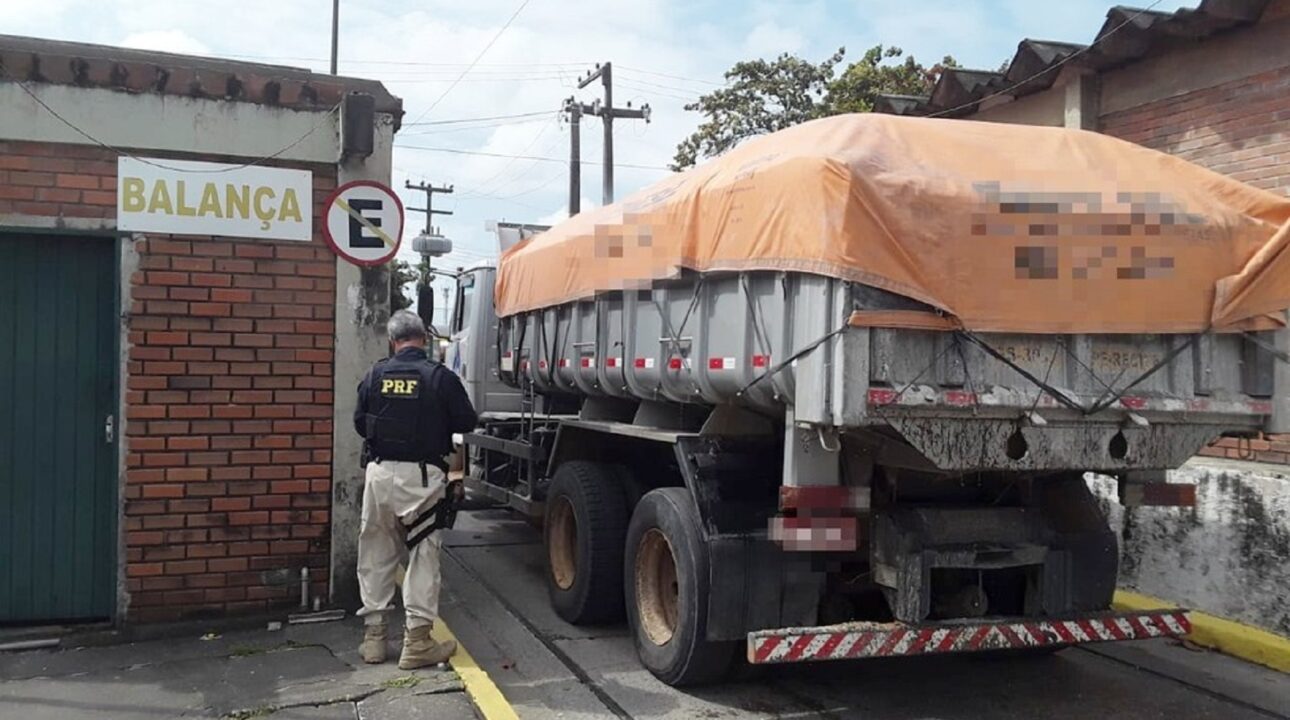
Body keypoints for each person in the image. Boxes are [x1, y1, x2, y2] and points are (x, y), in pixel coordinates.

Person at [354, 310, 478, 668]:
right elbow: (466, 421)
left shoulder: (375, 374)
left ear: (393, 341)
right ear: (424, 339)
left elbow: (361, 423)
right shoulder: (439, 377)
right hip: (422, 479)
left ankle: (374, 640)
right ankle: (417, 643)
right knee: (422, 554)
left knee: (375, 552)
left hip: (378, 474)